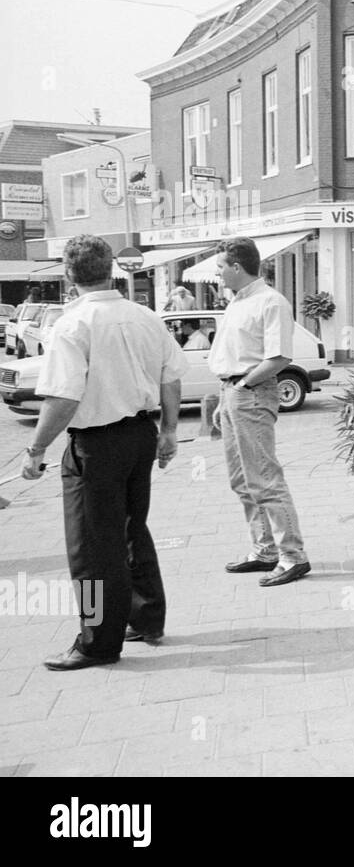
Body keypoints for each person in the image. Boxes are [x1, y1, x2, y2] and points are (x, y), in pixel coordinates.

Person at [22, 235, 187, 669]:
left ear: (68, 274)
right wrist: (169, 431)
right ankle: (146, 618)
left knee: (92, 549)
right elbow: (171, 377)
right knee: (132, 529)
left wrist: (36, 449)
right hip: (140, 435)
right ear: (111, 269)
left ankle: (97, 642)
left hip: (96, 445)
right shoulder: (145, 317)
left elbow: (63, 397)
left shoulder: (73, 325)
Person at [210, 236, 311, 587]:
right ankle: (265, 549)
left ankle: (293, 555)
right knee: (241, 479)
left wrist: (242, 386)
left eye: (220, 266)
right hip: (232, 392)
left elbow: (279, 356)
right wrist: (224, 397)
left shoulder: (271, 301)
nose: (218, 273)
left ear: (237, 267)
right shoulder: (236, 302)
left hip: (250, 392)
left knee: (264, 478)